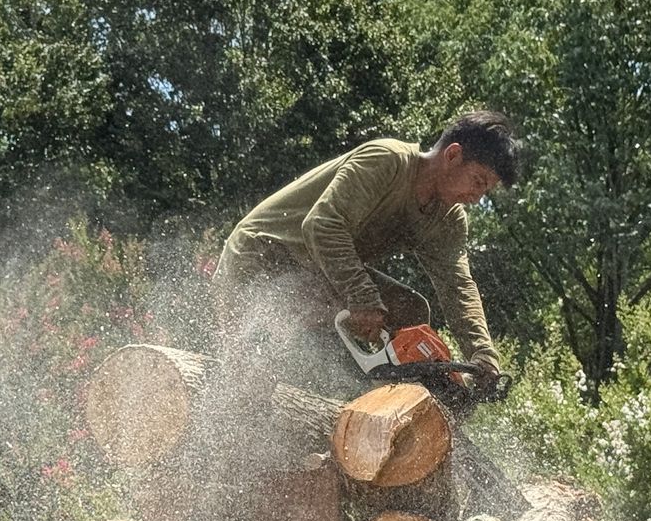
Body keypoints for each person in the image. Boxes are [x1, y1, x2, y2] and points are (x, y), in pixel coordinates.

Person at [213, 111, 519, 395]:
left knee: (410, 313)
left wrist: (482, 354)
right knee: (255, 373)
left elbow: (458, 286)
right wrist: (360, 295)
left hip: (314, 269)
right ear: (453, 155)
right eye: (478, 181)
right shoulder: (387, 160)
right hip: (263, 255)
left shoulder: (448, 220)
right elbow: (322, 225)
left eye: (486, 190)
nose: (477, 197)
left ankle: (395, 420)